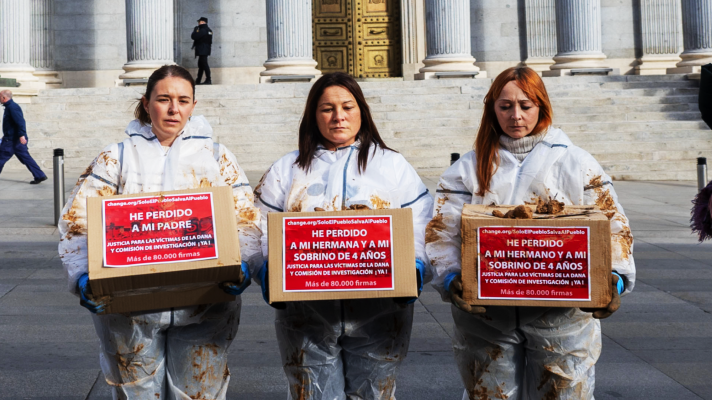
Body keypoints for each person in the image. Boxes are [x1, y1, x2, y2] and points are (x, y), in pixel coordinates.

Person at [425, 67, 636, 400]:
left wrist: (615, 277)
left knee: (565, 394)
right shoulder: (467, 167)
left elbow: (613, 224)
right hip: (487, 315)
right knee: (489, 393)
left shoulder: (578, 163)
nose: (516, 115)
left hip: (563, 313)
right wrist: (451, 278)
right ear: (492, 109)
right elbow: (442, 231)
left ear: (542, 106)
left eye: (525, 105)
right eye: (505, 106)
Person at [57, 65, 262, 399]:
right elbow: (78, 221)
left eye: (183, 100)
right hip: (130, 308)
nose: (173, 109)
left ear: (194, 105)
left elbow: (246, 218)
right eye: (163, 99)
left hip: (205, 303)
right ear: (146, 102)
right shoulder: (117, 157)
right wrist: (82, 274)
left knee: (200, 392)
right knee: (136, 393)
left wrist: (245, 262)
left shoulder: (217, 156)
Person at [254, 72, 433, 400]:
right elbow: (259, 226)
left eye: (347, 106)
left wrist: (416, 264)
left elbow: (422, 222)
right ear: (313, 115)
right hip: (305, 313)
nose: (338, 116)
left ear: (361, 110)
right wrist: (264, 266)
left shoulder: (392, 165)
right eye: (327, 108)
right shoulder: (287, 169)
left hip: (380, 311)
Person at [0, 90, 47, 184]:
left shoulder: (12, 107)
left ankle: (39, 175)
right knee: (26, 158)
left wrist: (21, 135)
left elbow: (20, 122)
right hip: (13, 139)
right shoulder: (10, 107)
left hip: (12, 140)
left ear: (4, 98)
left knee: (1, 157)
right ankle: (39, 175)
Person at [191, 17, 213, 85]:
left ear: (203, 22)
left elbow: (194, 37)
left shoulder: (203, 30)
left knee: (204, 64)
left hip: (202, 49)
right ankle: (198, 80)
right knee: (201, 65)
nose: (198, 23)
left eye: (199, 22)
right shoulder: (209, 30)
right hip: (205, 49)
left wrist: (195, 31)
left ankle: (208, 80)